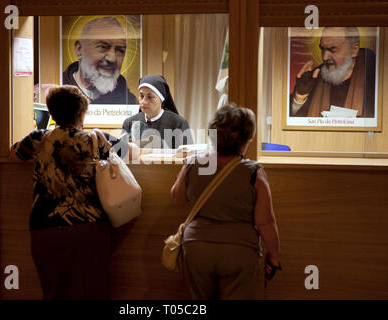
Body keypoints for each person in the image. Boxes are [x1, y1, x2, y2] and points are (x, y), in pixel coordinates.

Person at [10, 85, 138, 299]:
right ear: (81, 113)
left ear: (51, 113)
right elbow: (131, 151)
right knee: (92, 293)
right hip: (88, 230)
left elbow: (14, 153)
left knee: (54, 293)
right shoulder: (94, 140)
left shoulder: (38, 139)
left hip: (45, 230)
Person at [170, 104, 281, 299]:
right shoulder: (254, 172)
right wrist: (274, 256)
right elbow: (265, 221)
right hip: (239, 250)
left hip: (197, 248)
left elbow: (178, 198)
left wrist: (187, 168)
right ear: (246, 140)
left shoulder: (194, 163)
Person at [290, 27, 376, 118]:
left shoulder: (375, 76)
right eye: (322, 49)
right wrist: (300, 96)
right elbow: (294, 121)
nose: (324, 57)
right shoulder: (314, 77)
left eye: (332, 50)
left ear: (354, 50)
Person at [62, 17, 138, 105]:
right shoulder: (58, 93)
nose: (112, 58)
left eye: (120, 50)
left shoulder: (129, 101)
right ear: (79, 50)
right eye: (102, 47)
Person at [122, 74, 193, 149]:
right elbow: (121, 153)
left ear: (161, 99)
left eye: (150, 97)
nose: (144, 101)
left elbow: (188, 156)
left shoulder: (178, 123)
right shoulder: (129, 123)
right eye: (141, 96)